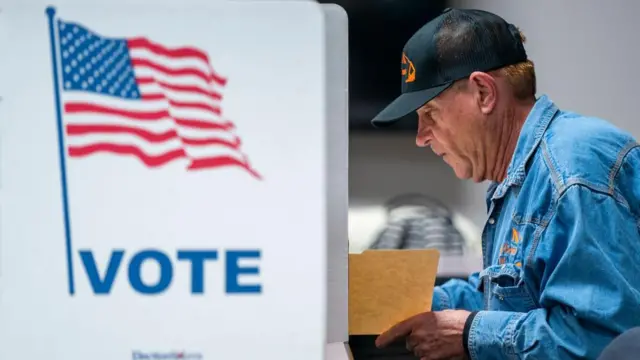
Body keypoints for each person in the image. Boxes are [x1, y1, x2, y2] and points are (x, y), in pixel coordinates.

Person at [370, 7, 640, 360]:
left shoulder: (573, 169)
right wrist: (410, 301)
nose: (421, 137)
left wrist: (469, 334)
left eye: (430, 113)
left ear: (483, 93)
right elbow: (507, 300)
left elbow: (602, 340)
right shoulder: (517, 178)